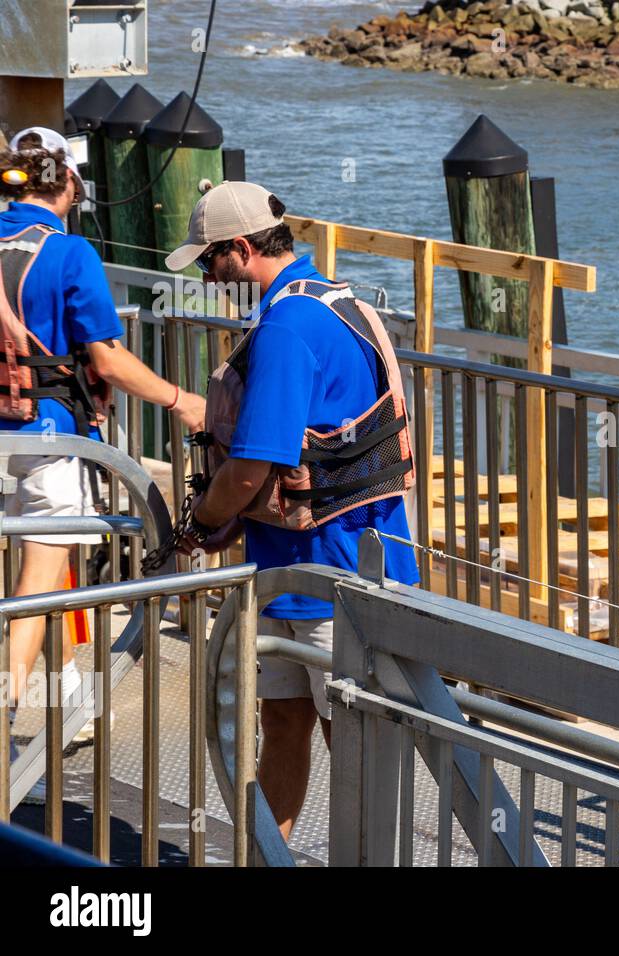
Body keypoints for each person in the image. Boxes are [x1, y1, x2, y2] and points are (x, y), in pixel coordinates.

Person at [165, 181, 419, 840]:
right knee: (283, 725)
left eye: (207, 262)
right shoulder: (338, 300)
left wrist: (199, 525)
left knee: (353, 746)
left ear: (241, 251)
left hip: (330, 581)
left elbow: (253, 463)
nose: (207, 279)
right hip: (315, 566)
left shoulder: (284, 327)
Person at [1, 128, 205, 805]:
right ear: (66, 183)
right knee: (37, 592)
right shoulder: (68, 253)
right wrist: (182, 400)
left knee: (48, 580)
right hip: (51, 439)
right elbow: (108, 358)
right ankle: (7, 724)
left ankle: (66, 701)